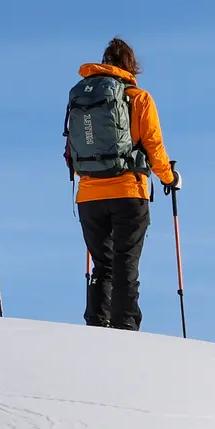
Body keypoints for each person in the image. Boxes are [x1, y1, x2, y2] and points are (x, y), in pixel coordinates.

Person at [68, 38, 178, 331]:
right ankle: (125, 328)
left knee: (102, 265)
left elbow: (70, 150)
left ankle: (96, 322)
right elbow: (154, 147)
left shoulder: (82, 97)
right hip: (129, 191)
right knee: (125, 263)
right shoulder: (139, 99)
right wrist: (170, 178)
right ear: (131, 67)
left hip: (89, 194)